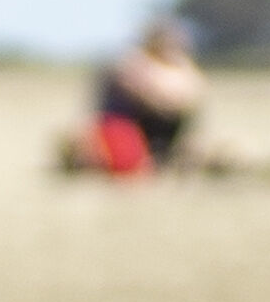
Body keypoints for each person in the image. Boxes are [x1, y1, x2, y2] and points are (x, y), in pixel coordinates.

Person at [59, 12, 209, 178]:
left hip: (161, 130)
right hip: (125, 126)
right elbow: (149, 93)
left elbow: (187, 96)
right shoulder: (131, 63)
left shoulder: (180, 67)